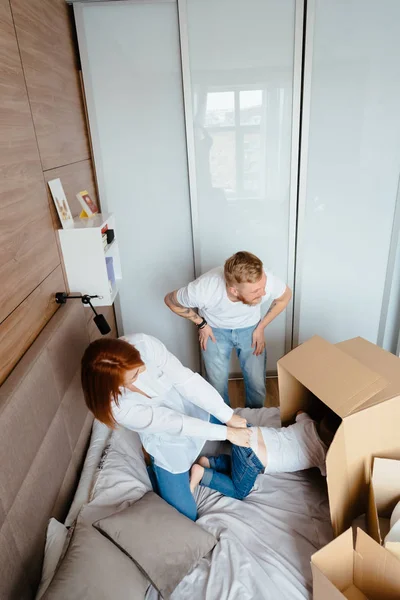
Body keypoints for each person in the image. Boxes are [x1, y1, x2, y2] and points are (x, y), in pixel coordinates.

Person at [80, 333, 251, 521]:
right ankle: (157, 466)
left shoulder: (143, 345)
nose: (142, 371)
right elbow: (174, 423)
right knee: (186, 515)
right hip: (165, 439)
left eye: (139, 368)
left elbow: (187, 381)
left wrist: (228, 416)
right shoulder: (117, 408)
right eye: (134, 377)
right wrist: (226, 432)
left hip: (195, 411)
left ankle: (208, 465)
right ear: (114, 387)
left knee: (252, 440)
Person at [165, 251, 292, 409]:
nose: (264, 293)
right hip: (215, 332)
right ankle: (225, 422)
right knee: (216, 384)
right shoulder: (204, 288)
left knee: (256, 382)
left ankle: (255, 420)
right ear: (234, 291)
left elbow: (285, 296)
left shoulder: (265, 280)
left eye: (263, 287)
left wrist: (261, 326)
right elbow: (170, 300)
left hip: (250, 329)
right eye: (255, 292)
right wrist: (201, 324)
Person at [189, 410, 339, 500]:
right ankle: (202, 474)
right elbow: (332, 475)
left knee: (239, 469)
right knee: (239, 491)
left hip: (247, 432)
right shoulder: (327, 456)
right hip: (252, 457)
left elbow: (299, 412)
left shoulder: (308, 422)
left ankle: (212, 463)